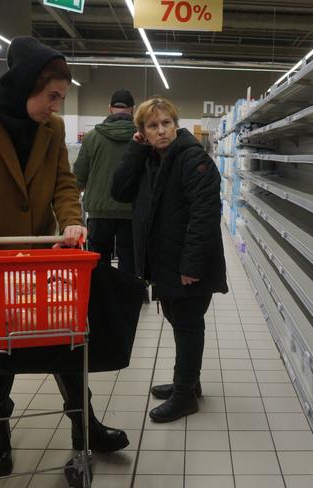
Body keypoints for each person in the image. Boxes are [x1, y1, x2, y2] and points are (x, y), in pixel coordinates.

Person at [0, 37, 128, 479]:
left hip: (41, 264)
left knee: (66, 345)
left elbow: (63, 181)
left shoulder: (51, 130)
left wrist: (73, 219)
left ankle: (85, 430)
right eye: (52, 96)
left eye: (62, 97)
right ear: (25, 85)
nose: (57, 106)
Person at [111, 97, 228, 422]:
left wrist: (191, 267)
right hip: (164, 259)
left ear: (176, 125)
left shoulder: (194, 161)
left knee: (188, 324)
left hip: (187, 265)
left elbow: (204, 217)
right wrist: (135, 150)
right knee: (178, 321)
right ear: (142, 132)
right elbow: (119, 190)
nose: (161, 131)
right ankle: (188, 382)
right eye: (152, 126)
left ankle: (185, 395)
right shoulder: (150, 158)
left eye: (166, 123)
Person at [73, 89, 136, 274]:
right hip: (131, 211)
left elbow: (79, 175)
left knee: (99, 261)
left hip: (99, 212)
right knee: (129, 260)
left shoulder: (92, 137)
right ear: (133, 109)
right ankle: (127, 299)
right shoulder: (142, 137)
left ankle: (103, 299)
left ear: (109, 108)